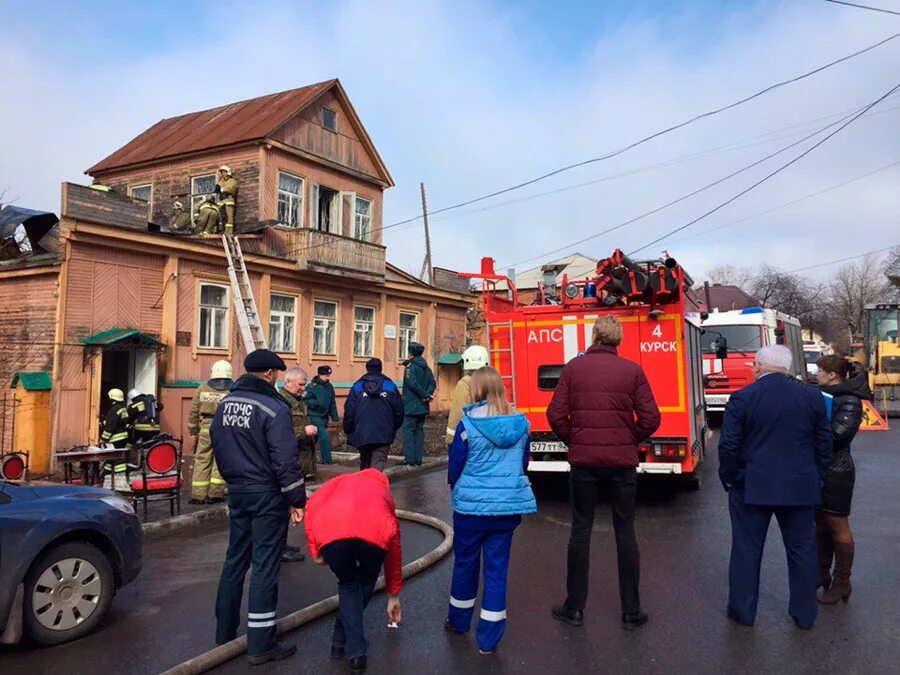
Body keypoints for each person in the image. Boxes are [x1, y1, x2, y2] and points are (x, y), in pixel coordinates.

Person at [547, 315, 660, 630]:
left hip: (584, 464)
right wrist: (628, 439)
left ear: (595, 336)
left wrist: (576, 439)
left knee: (580, 530)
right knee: (626, 531)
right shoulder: (633, 371)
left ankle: (575, 608)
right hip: (622, 465)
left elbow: (555, 414)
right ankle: (631, 610)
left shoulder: (573, 368)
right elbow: (651, 418)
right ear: (618, 340)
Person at [718, 344, 832, 629]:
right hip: (799, 486)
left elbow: (729, 444)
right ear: (789, 367)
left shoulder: (742, 398)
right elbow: (824, 443)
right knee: (802, 551)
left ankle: (743, 611)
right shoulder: (812, 396)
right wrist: (816, 477)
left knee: (746, 549)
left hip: (751, 486)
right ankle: (805, 615)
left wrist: (730, 476)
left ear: (757, 366)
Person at [210, 349, 306, 665]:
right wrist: (296, 499)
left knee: (234, 561)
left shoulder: (225, 405)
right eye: (275, 374)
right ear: (268, 374)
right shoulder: (273, 407)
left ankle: (224, 637)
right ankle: (261, 643)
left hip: (237, 491)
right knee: (265, 564)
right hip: (266, 494)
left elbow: (218, 446)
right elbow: (285, 458)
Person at [445, 366, 536, 655]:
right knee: (497, 571)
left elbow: (455, 467)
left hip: (471, 511)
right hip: (506, 511)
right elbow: (523, 463)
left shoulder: (468, 424)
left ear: (477, 390)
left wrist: (459, 490)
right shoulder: (521, 423)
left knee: (465, 565)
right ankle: (489, 640)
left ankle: (459, 622)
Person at [305, 469, 402, 675]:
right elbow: (394, 546)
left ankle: (341, 643)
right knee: (366, 580)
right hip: (374, 536)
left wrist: (315, 549)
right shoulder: (382, 491)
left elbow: (311, 507)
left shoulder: (334, 485)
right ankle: (355, 651)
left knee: (349, 584)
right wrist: (393, 594)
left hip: (331, 533)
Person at [815, 354, 868, 605]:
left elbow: (839, 436)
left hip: (837, 470)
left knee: (837, 524)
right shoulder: (828, 394)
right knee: (820, 523)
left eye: (819, 370)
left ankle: (842, 582)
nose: (816, 374)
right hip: (820, 468)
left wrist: (810, 429)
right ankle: (821, 572)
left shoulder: (849, 400)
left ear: (832, 375)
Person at [280, 367, 318, 563]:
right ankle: (279, 548)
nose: (304, 389)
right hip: (290, 459)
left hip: (300, 457)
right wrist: (304, 430)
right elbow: (282, 434)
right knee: (284, 504)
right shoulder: (282, 402)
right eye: (301, 385)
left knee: (289, 504)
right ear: (288, 382)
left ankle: (283, 544)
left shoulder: (297, 401)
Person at [343, 358, 404, 471]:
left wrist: (349, 430)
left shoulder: (357, 386)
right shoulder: (390, 386)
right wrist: (393, 427)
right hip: (384, 432)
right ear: (381, 368)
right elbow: (399, 411)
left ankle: (365, 486)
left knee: (365, 462)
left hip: (362, 431)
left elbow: (349, 411)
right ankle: (374, 485)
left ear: (367, 369)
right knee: (378, 463)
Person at [187, 361, 233, 505]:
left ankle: (198, 495)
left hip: (206, 427)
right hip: (225, 428)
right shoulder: (232, 390)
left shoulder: (202, 388)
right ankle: (216, 493)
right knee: (220, 460)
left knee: (202, 460)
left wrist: (193, 430)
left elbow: (194, 411)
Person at [445, 345, 489, 446]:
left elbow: (458, 413)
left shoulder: (465, 383)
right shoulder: (494, 381)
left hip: (472, 438)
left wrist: (450, 440)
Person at [401, 342, 436, 466]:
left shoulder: (410, 367)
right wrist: (428, 395)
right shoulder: (427, 368)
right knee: (419, 431)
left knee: (408, 431)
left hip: (411, 405)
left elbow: (413, 384)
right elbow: (432, 383)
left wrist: (424, 395)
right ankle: (418, 458)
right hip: (423, 405)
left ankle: (410, 459)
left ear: (410, 353)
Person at [306, 365, 340, 464]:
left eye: (329, 375)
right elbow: (306, 399)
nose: (328, 377)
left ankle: (308, 458)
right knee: (324, 436)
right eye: (326, 375)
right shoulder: (312, 386)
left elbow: (332, 402)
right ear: (320, 375)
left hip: (324, 416)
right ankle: (327, 461)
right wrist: (315, 404)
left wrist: (335, 417)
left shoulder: (329, 387)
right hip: (314, 415)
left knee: (314, 439)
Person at [100, 387, 132, 488]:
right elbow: (120, 421)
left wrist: (103, 438)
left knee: (118, 461)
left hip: (115, 440)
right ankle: (105, 478)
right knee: (111, 460)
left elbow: (111, 426)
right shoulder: (123, 409)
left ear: (112, 398)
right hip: (123, 438)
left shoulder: (113, 410)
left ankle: (119, 483)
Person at [216, 165, 239, 236]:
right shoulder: (221, 181)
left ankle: (229, 232)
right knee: (220, 216)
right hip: (221, 201)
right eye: (222, 172)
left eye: (224, 172)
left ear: (228, 172)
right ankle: (221, 230)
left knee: (229, 217)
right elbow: (218, 188)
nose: (223, 174)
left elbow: (231, 189)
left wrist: (221, 189)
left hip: (229, 200)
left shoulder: (232, 181)